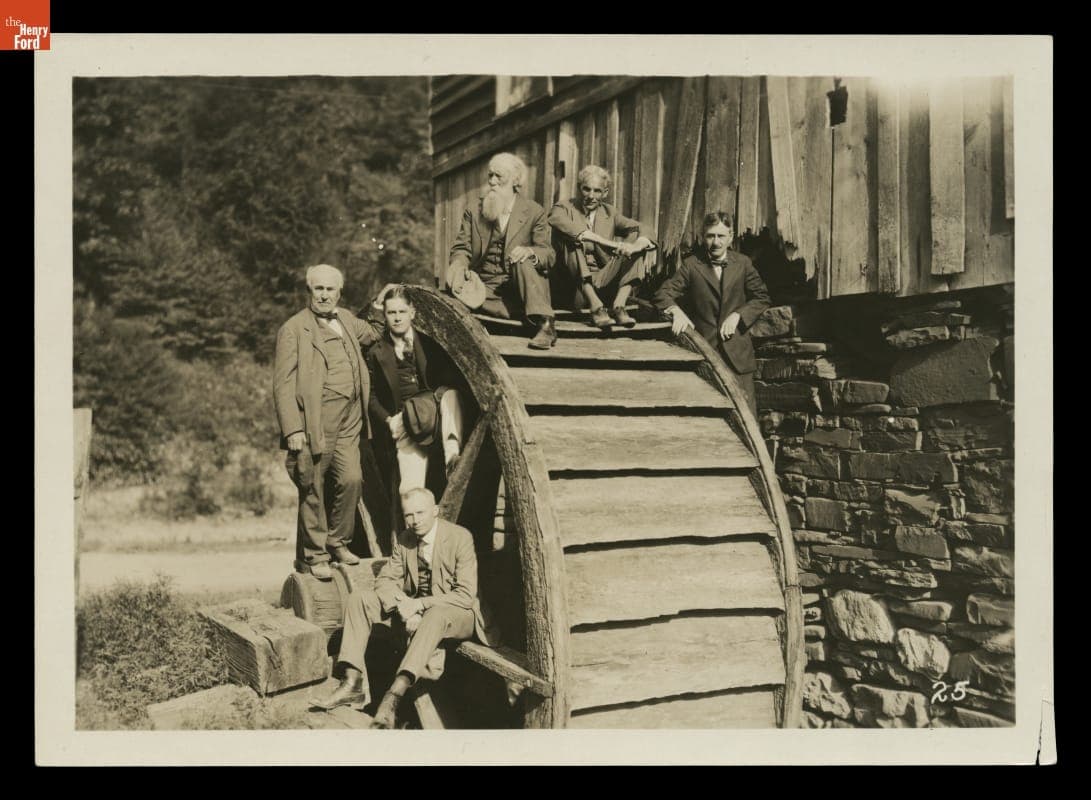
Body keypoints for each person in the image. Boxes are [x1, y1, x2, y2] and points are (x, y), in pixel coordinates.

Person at [311, 487, 497, 729]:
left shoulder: (460, 538)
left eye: (420, 512)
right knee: (360, 599)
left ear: (436, 511)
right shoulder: (405, 539)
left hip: (459, 614)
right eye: (409, 515)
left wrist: (419, 605)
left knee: (437, 615)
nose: (415, 520)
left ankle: (394, 696)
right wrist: (404, 607)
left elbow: (464, 595)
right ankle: (352, 682)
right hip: (415, 610)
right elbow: (386, 580)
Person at [273, 264, 396, 582]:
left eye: (330, 289)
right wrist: (293, 429)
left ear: (340, 293)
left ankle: (337, 541)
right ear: (309, 291)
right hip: (315, 422)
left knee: (352, 480)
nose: (324, 295)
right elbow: (283, 385)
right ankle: (315, 555)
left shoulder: (346, 320)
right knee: (311, 485)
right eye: (319, 289)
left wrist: (381, 307)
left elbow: (374, 333)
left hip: (351, 421)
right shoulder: (294, 329)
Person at [653, 212, 771, 418]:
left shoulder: (743, 263)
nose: (715, 242)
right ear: (702, 236)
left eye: (721, 236)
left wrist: (738, 316)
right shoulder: (691, 265)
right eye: (710, 236)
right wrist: (675, 312)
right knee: (709, 416)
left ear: (731, 236)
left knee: (746, 418)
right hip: (706, 353)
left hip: (738, 358)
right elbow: (663, 294)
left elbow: (761, 297)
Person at [446, 152, 558, 349]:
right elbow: (462, 248)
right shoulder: (475, 210)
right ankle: (507, 312)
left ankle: (546, 324)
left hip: (519, 287)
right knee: (452, 294)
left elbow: (548, 254)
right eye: (490, 176)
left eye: (499, 176)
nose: (492, 182)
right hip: (484, 287)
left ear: (516, 181)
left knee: (522, 260)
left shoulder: (533, 211)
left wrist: (529, 252)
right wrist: (459, 265)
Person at [367, 285, 464, 496]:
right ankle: (413, 524)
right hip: (406, 422)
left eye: (402, 312)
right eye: (391, 313)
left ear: (412, 312)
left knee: (451, 395)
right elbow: (370, 395)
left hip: (434, 414)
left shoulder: (430, 342)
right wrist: (389, 420)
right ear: (384, 315)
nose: (397, 318)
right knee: (409, 490)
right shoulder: (377, 352)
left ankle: (452, 457)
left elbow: (451, 378)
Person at [548, 165, 657, 328]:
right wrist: (609, 243)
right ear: (579, 189)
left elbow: (644, 228)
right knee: (572, 241)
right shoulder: (562, 208)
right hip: (573, 287)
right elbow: (569, 228)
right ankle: (596, 307)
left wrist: (637, 246)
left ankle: (619, 306)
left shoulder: (609, 213)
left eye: (597, 191)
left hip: (602, 280)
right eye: (586, 189)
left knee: (637, 238)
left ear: (605, 193)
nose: (591, 196)